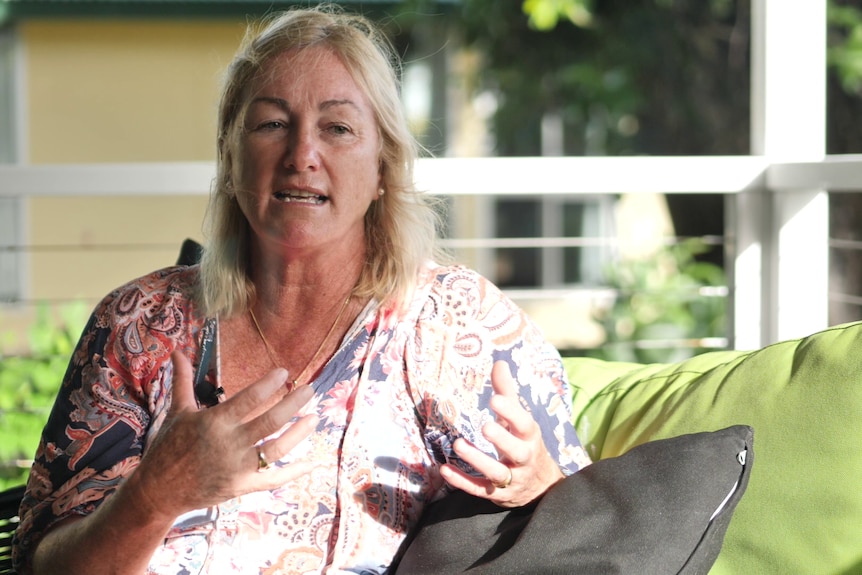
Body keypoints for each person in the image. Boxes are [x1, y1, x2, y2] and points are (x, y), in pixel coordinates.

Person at [12, 5, 591, 574]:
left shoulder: (456, 320)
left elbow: (591, 529)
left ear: (384, 170)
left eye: (337, 128)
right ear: (231, 158)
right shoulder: (138, 323)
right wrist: (155, 495)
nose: (302, 156)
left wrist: (543, 484)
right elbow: (42, 563)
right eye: (271, 124)